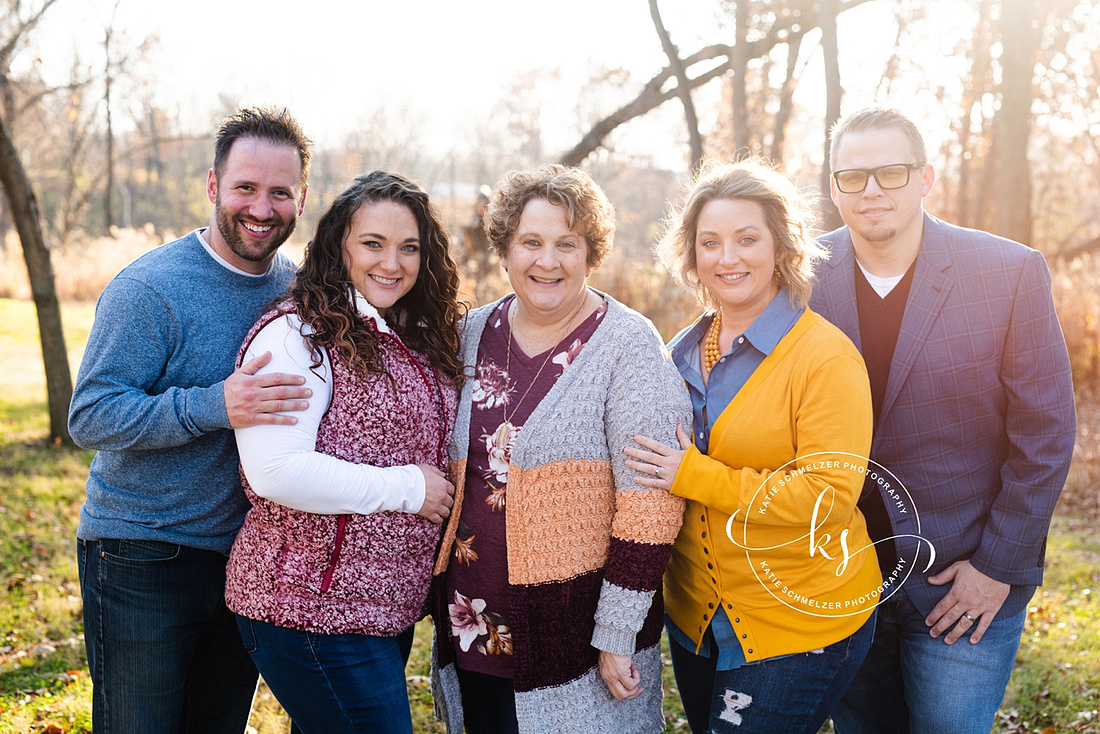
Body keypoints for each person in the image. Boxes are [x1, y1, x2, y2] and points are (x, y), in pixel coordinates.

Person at [810, 106, 1076, 733]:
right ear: (833, 189)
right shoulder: (799, 275)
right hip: (839, 580)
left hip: (961, 582)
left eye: (891, 172)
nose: (871, 190)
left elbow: (1046, 433)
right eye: (852, 177)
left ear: (926, 177)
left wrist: (998, 569)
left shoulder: (1008, 273)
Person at [68, 107, 313, 733]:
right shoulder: (151, 288)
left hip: (243, 561)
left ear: (301, 199)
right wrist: (213, 405)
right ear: (213, 186)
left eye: (279, 192)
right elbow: (90, 414)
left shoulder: (297, 293)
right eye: (246, 188)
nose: (262, 207)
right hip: (141, 552)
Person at [430, 163, 691, 734]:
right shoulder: (471, 333)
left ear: (591, 253)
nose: (547, 261)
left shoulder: (628, 347)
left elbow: (651, 505)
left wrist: (618, 634)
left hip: (579, 631)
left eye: (566, 244)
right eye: (531, 242)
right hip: (475, 618)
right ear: (505, 249)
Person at [625, 158, 880, 733]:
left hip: (799, 619)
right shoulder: (679, 352)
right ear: (692, 255)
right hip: (697, 618)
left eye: (747, 239)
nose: (728, 257)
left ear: (781, 246)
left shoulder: (825, 358)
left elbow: (827, 497)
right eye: (710, 242)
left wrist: (694, 475)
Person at [224, 171, 464, 734]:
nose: (393, 263)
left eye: (409, 247)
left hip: (381, 608)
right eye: (373, 244)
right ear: (339, 246)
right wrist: (409, 488)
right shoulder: (296, 337)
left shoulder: (411, 334)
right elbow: (276, 472)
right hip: (306, 607)